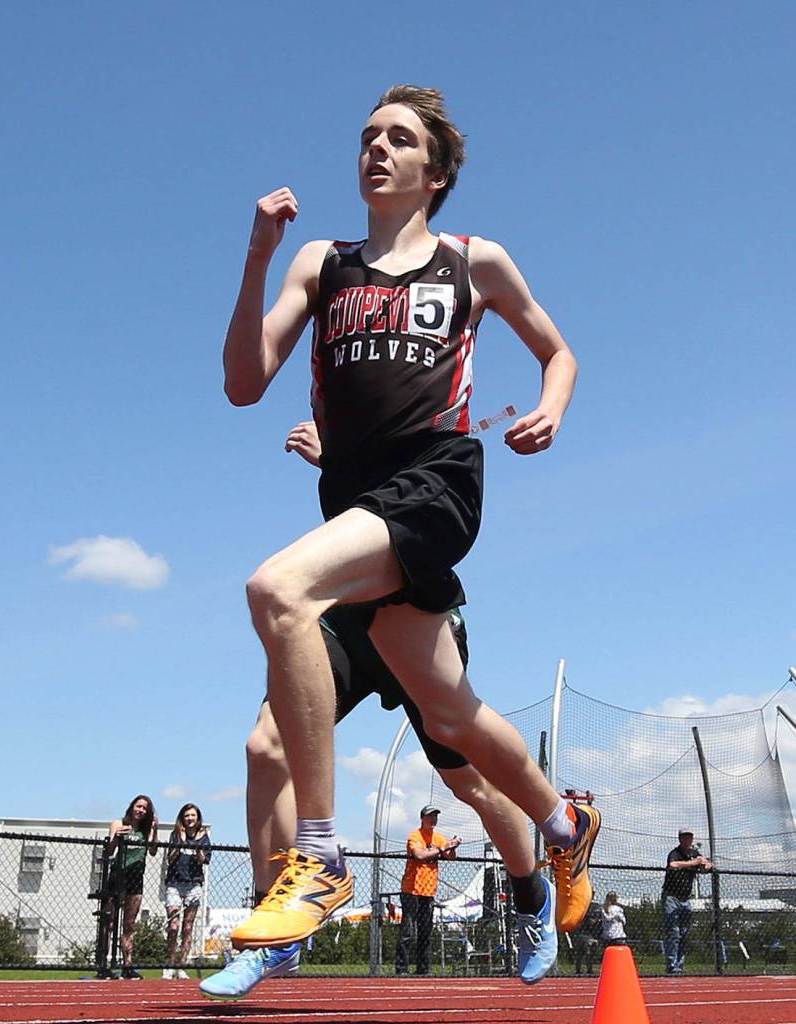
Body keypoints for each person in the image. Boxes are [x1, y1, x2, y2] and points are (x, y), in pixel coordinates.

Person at [223, 84, 597, 955]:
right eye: (366, 137)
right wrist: (254, 256)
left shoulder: (474, 259)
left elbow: (558, 348)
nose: (376, 149)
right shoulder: (321, 262)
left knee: (277, 591)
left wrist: (551, 405)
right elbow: (245, 382)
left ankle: (317, 859)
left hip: (437, 485)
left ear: (434, 173)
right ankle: (563, 821)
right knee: (455, 716)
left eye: (397, 139)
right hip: (358, 503)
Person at [200, 423, 556, 1000]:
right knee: (265, 747)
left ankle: (531, 896)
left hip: (416, 616)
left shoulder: (427, 411)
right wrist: (334, 463)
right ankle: (276, 936)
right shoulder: (347, 387)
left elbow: (408, 501)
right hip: (345, 620)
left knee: (472, 786)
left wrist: (335, 457)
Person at [395, 806, 459, 976]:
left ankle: (423, 969)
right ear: (422, 818)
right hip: (412, 890)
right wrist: (440, 849)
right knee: (408, 930)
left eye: (435, 816)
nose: (433, 819)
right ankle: (401, 968)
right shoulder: (415, 836)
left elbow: (450, 856)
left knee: (425, 931)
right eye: (430, 816)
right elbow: (419, 855)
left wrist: (452, 846)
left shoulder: (438, 838)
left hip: (429, 891)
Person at [102, 794, 158, 980]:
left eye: (144, 808)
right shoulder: (119, 823)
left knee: (129, 924)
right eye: (138, 806)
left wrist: (154, 829)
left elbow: (152, 851)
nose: (140, 810)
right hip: (117, 876)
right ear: (132, 806)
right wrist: (116, 837)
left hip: (136, 879)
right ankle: (104, 964)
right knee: (109, 922)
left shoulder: (145, 830)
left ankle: (127, 965)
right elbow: (109, 851)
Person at [163, 803, 211, 979]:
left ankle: (181, 965)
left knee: (188, 926)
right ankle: (169, 964)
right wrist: (182, 841)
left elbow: (204, 860)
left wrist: (197, 844)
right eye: (187, 815)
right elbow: (171, 857)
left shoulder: (203, 837)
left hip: (193, 884)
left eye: (193, 815)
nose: (190, 819)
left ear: (197, 818)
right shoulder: (175, 835)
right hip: (175, 882)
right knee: (173, 925)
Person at [662, 826, 713, 975]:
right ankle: (671, 965)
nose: (687, 839)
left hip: (686, 899)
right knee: (674, 932)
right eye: (684, 837)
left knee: (684, 933)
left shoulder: (694, 853)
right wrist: (693, 863)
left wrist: (707, 864)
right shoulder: (675, 853)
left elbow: (705, 865)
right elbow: (673, 865)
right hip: (672, 897)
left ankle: (680, 964)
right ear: (680, 839)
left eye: (689, 837)